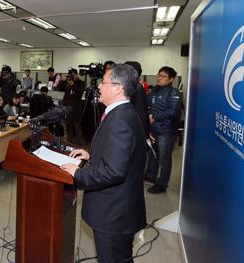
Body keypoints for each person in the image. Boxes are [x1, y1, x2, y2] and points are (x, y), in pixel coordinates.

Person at [60, 63, 147, 263]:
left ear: (118, 88)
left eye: (103, 82)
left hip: (113, 214)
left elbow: (114, 171)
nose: (98, 87)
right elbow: (124, 153)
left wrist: (77, 173)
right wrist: (91, 155)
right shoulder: (125, 112)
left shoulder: (118, 120)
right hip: (121, 209)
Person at [144, 66, 182, 194]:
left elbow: (174, 111)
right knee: (153, 155)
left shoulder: (174, 93)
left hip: (166, 132)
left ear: (171, 79)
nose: (159, 78)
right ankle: (150, 175)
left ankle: (162, 184)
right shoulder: (154, 90)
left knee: (164, 159)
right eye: (159, 75)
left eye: (163, 76)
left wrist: (154, 116)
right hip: (153, 130)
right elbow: (147, 104)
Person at [124, 61, 150, 138]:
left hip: (133, 130)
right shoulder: (129, 87)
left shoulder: (136, 88)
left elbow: (141, 112)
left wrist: (144, 134)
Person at [61, 69, 86, 146]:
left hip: (76, 108)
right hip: (67, 108)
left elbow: (79, 94)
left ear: (77, 75)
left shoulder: (81, 83)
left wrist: (72, 84)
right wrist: (63, 81)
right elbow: (60, 89)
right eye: (70, 75)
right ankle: (69, 143)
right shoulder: (67, 83)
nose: (72, 77)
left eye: (73, 75)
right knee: (68, 127)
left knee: (77, 127)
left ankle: (79, 144)